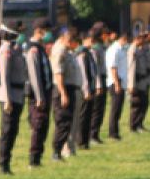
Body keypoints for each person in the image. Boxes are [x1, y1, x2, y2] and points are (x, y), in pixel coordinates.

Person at [0, 24, 27, 175]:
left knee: (13, 130)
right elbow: (4, 75)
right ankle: (3, 163)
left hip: (18, 94)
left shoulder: (17, 49)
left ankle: (7, 161)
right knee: (7, 130)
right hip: (9, 94)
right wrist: (7, 99)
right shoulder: (6, 50)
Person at [25, 19, 54, 166]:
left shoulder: (40, 48)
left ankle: (38, 156)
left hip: (46, 92)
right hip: (38, 95)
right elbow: (34, 75)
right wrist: (39, 96)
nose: (48, 34)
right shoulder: (33, 50)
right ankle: (33, 159)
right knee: (38, 125)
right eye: (46, 30)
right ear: (39, 30)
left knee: (43, 125)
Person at [50, 25, 80, 161]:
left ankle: (60, 150)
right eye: (70, 41)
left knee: (67, 122)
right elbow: (58, 74)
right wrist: (63, 93)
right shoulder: (60, 51)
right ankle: (56, 152)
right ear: (64, 39)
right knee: (62, 122)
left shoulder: (67, 51)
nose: (72, 44)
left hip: (69, 89)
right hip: (63, 89)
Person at [75, 28, 100, 150]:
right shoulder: (82, 54)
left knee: (89, 115)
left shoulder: (89, 53)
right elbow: (83, 74)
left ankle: (86, 141)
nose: (92, 41)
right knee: (83, 116)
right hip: (85, 90)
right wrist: (86, 91)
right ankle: (80, 141)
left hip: (91, 88)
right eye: (90, 39)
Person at [106, 31, 129, 140]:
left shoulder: (121, 49)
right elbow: (113, 67)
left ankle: (115, 132)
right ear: (122, 39)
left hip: (121, 81)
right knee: (115, 109)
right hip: (116, 82)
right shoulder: (114, 50)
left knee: (118, 109)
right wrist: (117, 84)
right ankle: (112, 133)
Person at [88, 24, 109, 144]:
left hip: (103, 78)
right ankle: (92, 134)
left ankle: (96, 133)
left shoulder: (101, 47)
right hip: (98, 79)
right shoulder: (95, 49)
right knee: (96, 109)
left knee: (101, 109)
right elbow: (95, 69)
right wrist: (98, 85)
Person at [128, 32, 149, 133]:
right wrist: (131, 84)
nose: (144, 40)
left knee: (144, 103)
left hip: (144, 81)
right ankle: (133, 126)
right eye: (142, 38)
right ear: (137, 39)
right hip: (137, 81)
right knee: (136, 104)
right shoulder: (133, 50)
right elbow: (131, 68)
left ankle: (139, 124)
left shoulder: (143, 49)